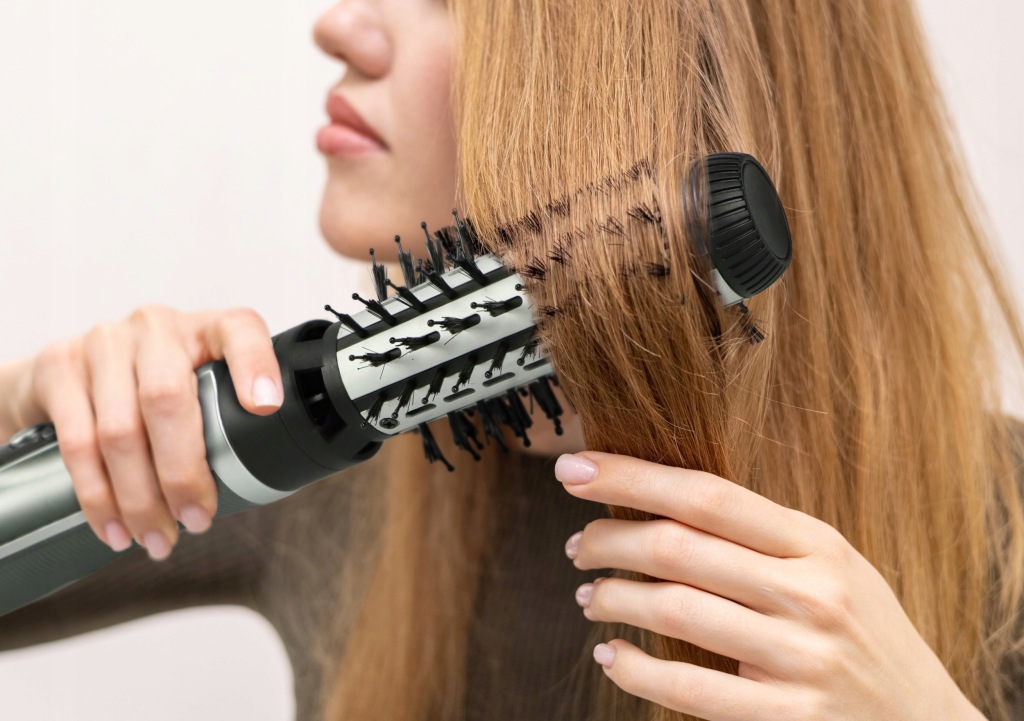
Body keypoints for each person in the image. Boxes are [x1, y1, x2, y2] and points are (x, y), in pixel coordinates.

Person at [1, 1, 1023, 720]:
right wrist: (31, 414)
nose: (340, 24)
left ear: (678, 81)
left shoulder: (1003, 525)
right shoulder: (290, 467)